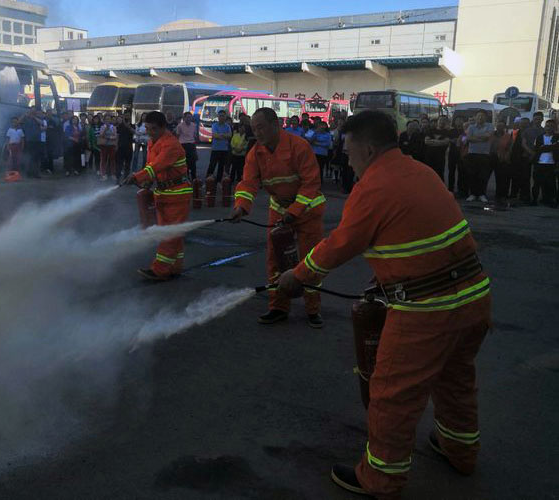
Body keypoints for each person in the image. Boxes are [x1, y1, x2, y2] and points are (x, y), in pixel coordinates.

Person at [277, 110, 491, 500]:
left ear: (369, 148)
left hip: (427, 311)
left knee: (393, 393)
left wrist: (298, 276)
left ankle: (381, 479)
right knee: (456, 380)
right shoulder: (421, 171)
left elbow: (340, 244)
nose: (347, 160)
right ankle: (461, 451)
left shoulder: (374, 187)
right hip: (474, 298)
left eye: (349, 151)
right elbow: (417, 234)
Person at [229, 107, 325, 328]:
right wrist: (241, 207)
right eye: (254, 129)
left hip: (308, 210)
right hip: (280, 209)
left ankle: (313, 309)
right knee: (275, 260)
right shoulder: (256, 152)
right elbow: (248, 183)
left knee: (310, 261)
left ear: (276, 125)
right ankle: (278, 307)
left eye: (261, 127)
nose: (257, 133)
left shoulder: (299, 146)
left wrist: (294, 211)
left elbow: (311, 183)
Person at [123, 111, 192, 281]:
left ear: (163, 127)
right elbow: (151, 165)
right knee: (173, 233)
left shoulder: (171, 145)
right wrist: (147, 182)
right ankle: (175, 266)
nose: (149, 132)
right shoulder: (153, 142)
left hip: (177, 194)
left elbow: (157, 166)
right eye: (147, 128)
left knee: (168, 233)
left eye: (153, 129)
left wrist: (137, 177)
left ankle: (160, 270)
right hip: (163, 193)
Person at [464, 111, 495, 202]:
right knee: (472, 174)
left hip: (485, 154)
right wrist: (481, 138)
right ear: (475, 117)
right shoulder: (471, 127)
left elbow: (487, 137)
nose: (480, 118)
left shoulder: (490, 126)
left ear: (486, 117)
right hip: (472, 153)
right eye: (478, 116)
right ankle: (473, 194)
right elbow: (469, 138)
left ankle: (482, 194)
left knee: (483, 175)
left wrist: (475, 137)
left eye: (482, 116)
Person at [531, 119, 559, 207]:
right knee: (537, 183)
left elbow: (556, 148)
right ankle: (534, 200)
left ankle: (551, 200)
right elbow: (536, 149)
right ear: (545, 127)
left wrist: (544, 148)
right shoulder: (539, 137)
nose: (549, 128)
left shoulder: (557, 137)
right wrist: (550, 147)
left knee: (551, 183)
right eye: (547, 126)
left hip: (552, 163)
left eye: (551, 126)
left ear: (554, 127)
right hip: (539, 163)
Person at [521, 112, 547, 203]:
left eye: (539, 119)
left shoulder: (544, 131)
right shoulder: (527, 130)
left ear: (542, 119)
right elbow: (523, 143)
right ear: (533, 119)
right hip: (527, 156)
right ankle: (526, 196)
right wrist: (531, 152)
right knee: (525, 177)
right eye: (536, 119)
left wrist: (536, 154)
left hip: (540, 158)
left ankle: (537, 197)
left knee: (538, 178)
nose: (537, 121)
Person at [206, 110, 232, 182]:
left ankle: (218, 181)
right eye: (220, 116)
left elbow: (230, 135)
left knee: (221, 166)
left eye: (223, 116)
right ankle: (208, 180)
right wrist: (224, 135)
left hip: (224, 149)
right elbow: (215, 136)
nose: (221, 117)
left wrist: (220, 135)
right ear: (218, 117)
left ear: (225, 117)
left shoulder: (228, 126)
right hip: (215, 149)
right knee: (212, 165)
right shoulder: (214, 125)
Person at [491, 119, 513, 204]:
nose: (499, 127)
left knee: (501, 177)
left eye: (501, 125)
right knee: (484, 176)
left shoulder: (508, 136)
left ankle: (500, 195)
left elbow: (510, 147)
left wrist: (507, 155)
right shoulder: (491, 134)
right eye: (498, 125)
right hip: (490, 157)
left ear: (504, 127)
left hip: (501, 158)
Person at [424, 116, 451, 180]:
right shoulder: (431, 130)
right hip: (429, 157)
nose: (442, 121)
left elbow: (446, 142)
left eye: (444, 120)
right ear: (438, 121)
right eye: (441, 120)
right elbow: (426, 141)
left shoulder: (448, 132)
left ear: (447, 122)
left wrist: (433, 142)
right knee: (429, 176)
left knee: (439, 176)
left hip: (440, 158)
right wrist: (440, 142)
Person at [20, 106, 43, 178]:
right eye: (32, 110)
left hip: (37, 140)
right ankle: (29, 172)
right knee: (30, 157)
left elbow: (42, 123)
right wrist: (24, 115)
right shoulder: (26, 118)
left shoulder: (38, 117)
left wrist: (34, 117)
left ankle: (36, 173)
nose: (33, 112)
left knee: (36, 157)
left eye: (34, 111)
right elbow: (19, 121)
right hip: (29, 140)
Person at [176, 111, 199, 180]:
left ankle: (194, 178)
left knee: (193, 162)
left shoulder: (194, 125)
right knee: (184, 163)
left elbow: (195, 136)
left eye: (190, 117)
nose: (188, 119)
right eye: (187, 117)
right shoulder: (180, 126)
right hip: (183, 145)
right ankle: (186, 178)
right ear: (184, 118)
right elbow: (177, 136)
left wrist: (195, 146)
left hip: (191, 145)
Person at [448, 116, 466, 196]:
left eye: (460, 120)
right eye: (457, 120)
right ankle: (450, 189)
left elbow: (464, 141)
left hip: (461, 154)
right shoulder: (451, 131)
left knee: (461, 172)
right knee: (451, 172)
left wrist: (458, 140)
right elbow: (448, 139)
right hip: (452, 154)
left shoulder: (465, 131)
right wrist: (453, 140)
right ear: (454, 122)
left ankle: (460, 190)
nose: (459, 121)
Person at [97, 113, 118, 181]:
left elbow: (115, 136)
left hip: (111, 145)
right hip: (104, 146)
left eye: (109, 119)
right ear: (104, 120)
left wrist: (108, 137)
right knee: (103, 160)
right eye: (106, 119)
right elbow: (101, 135)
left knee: (112, 160)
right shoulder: (102, 127)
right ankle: (103, 174)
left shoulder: (113, 127)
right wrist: (106, 129)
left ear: (111, 120)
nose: (107, 120)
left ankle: (113, 174)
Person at [115, 113, 135, 183]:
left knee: (128, 164)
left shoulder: (132, 125)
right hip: (120, 147)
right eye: (125, 116)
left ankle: (126, 179)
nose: (127, 117)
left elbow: (134, 132)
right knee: (119, 164)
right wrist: (116, 146)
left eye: (128, 116)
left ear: (130, 117)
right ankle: (118, 178)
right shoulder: (119, 126)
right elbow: (117, 136)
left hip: (129, 147)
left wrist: (128, 127)